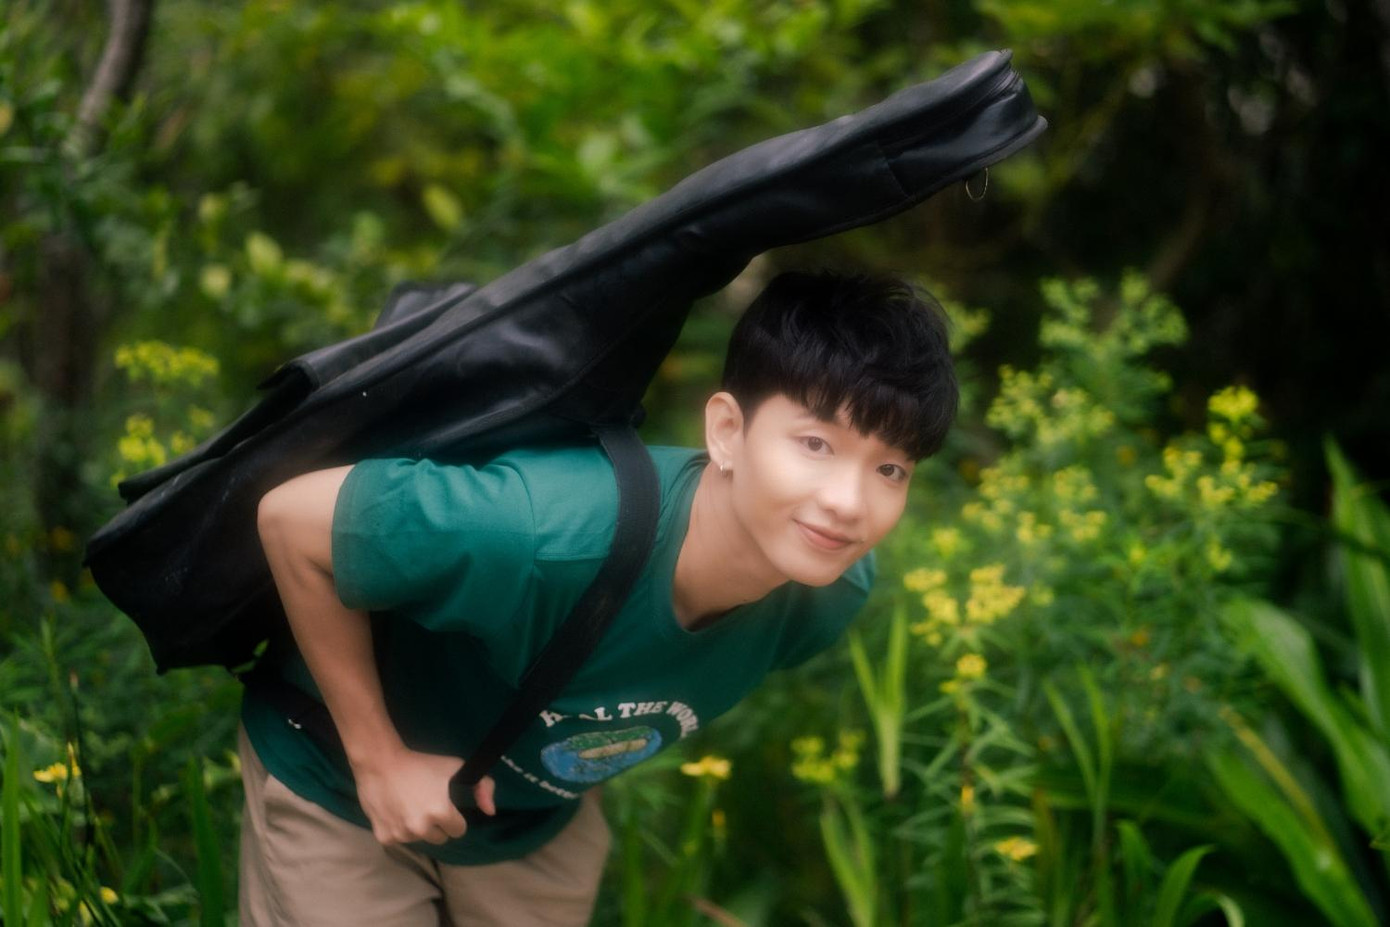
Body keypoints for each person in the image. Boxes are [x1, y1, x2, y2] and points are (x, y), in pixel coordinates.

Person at [238, 267, 958, 926]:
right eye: (816, 444)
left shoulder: (825, 594)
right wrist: (380, 762)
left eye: (890, 469)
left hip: (532, 823)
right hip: (341, 782)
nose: (847, 503)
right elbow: (293, 521)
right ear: (727, 431)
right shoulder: (544, 532)